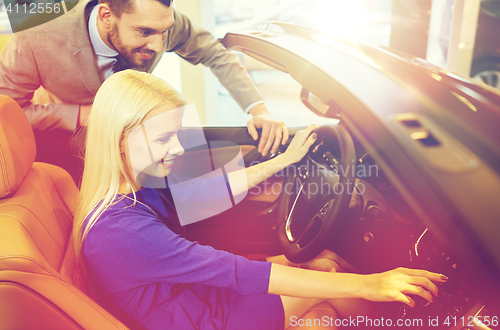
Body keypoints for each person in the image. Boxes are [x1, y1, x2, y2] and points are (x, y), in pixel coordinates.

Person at [75, 70, 447, 330]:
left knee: (324, 277)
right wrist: (372, 284)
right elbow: (231, 272)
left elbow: (208, 193)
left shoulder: (136, 186)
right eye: (162, 139)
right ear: (119, 138)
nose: (175, 149)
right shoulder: (118, 230)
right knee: (331, 274)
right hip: (209, 321)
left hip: (200, 298)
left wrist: (283, 161)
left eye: (175, 134)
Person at [0, 0, 287, 182]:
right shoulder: (35, 34)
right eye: (146, 33)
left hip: (132, 137)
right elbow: (7, 109)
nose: (159, 46)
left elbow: (215, 53)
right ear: (106, 15)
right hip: (66, 140)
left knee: (183, 192)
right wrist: (79, 116)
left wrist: (257, 109)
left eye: (164, 33)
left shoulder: (159, 22)